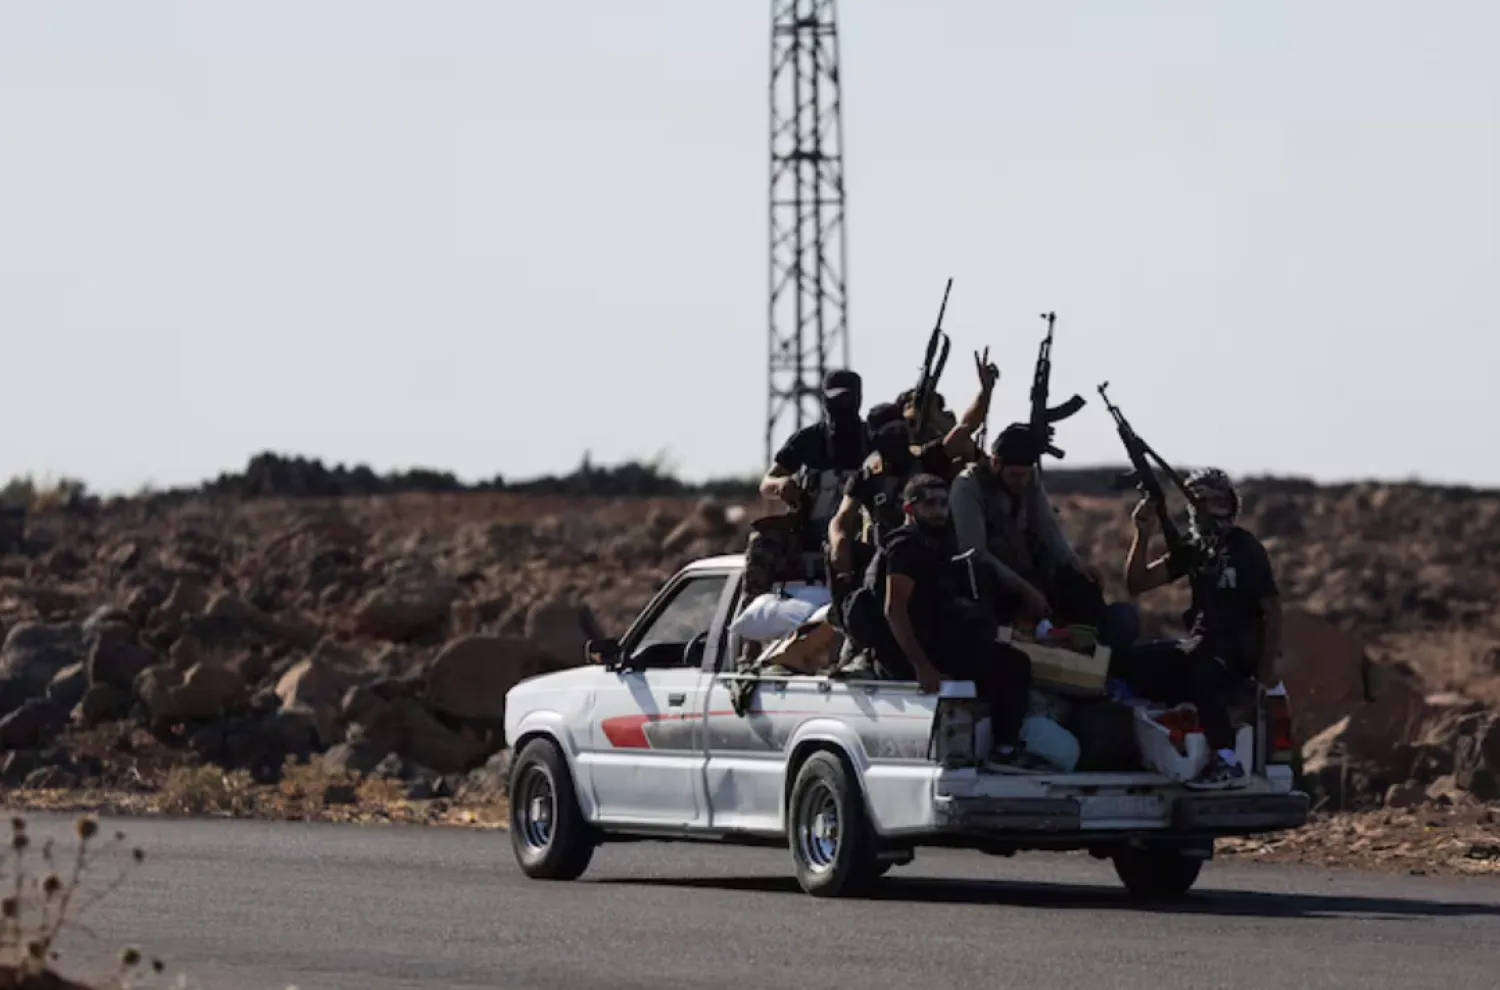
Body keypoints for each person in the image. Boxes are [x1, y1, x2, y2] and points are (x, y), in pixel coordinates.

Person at [848, 473, 1046, 770]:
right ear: (909, 509)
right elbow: (894, 610)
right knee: (1013, 665)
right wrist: (922, 667)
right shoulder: (906, 545)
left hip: (935, 644)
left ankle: (994, 742)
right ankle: (1004, 751)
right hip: (911, 654)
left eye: (943, 504)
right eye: (930, 504)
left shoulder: (936, 543)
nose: (940, 511)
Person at [1119, 468, 1284, 791]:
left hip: (1233, 651)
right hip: (1199, 643)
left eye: (1219, 500)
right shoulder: (1195, 548)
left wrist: (1262, 677)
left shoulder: (1244, 547)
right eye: (1203, 501)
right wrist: (1143, 531)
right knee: (1129, 662)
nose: (1212, 508)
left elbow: (1273, 611)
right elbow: (1137, 583)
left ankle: (1226, 758)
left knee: (1202, 672)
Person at [949, 423, 1127, 641]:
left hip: (1024, 568)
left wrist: (1075, 562)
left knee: (1082, 583)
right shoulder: (968, 486)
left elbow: (1047, 527)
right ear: (996, 463)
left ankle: (1091, 647)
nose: (1022, 481)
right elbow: (975, 553)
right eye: (1015, 475)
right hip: (991, 578)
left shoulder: (1028, 479)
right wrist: (1025, 590)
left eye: (1026, 474)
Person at [745, 369, 872, 601]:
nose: (841, 407)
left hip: (859, 532)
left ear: (858, 399)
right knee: (762, 544)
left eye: (846, 399)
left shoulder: (872, 439)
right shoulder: (808, 440)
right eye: (834, 400)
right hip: (808, 531)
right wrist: (781, 485)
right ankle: (751, 617)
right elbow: (766, 482)